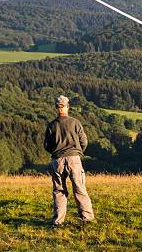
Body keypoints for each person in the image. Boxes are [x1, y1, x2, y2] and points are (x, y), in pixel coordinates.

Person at [44, 95, 95, 225]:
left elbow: (47, 146)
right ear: (67, 106)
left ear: (56, 107)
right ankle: (87, 218)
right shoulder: (75, 122)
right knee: (79, 188)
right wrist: (78, 152)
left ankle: (58, 221)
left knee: (59, 190)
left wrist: (56, 153)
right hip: (74, 159)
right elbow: (84, 141)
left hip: (57, 160)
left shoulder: (52, 125)